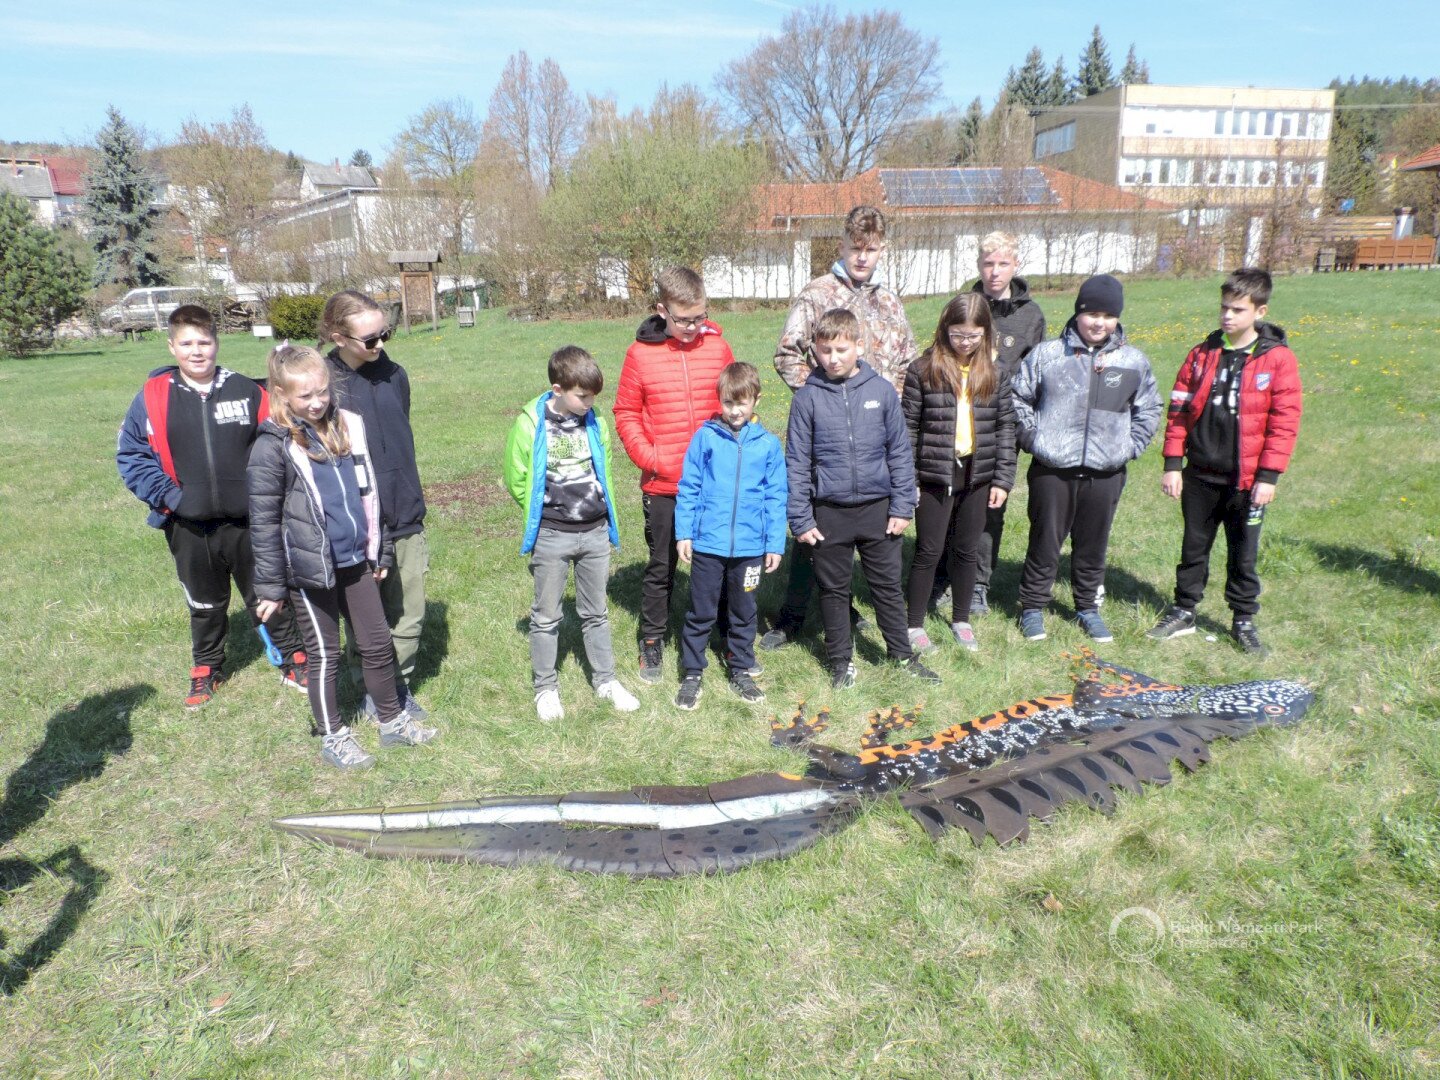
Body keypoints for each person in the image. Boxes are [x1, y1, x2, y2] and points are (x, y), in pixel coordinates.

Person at [248, 343, 437, 769]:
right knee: (325, 655)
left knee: (377, 643)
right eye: (305, 396)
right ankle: (333, 736)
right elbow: (263, 523)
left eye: (322, 392)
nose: (317, 402)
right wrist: (272, 587)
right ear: (281, 395)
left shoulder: (346, 427)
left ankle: (391, 720)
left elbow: (370, 494)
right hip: (309, 571)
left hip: (355, 561)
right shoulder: (272, 446)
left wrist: (379, 549)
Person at [117, 304, 308, 709]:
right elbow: (131, 455)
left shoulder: (246, 391)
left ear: (217, 343)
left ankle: (294, 658)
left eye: (204, 342)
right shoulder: (152, 397)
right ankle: (207, 667)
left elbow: (281, 443)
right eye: (187, 343)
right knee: (204, 603)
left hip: (250, 522)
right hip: (189, 525)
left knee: (268, 592)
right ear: (172, 347)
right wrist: (171, 497)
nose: (196, 351)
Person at [764, 204, 918, 649]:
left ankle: (852, 612)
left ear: (882, 250)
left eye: (871, 249)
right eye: (855, 248)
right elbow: (787, 354)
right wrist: (823, 399)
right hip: (825, 435)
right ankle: (793, 616)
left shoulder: (889, 301)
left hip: (875, 433)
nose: (862, 257)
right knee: (813, 528)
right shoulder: (817, 294)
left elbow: (907, 362)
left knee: (867, 535)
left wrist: (885, 404)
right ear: (842, 246)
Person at [1146, 268, 1303, 656]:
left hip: (1246, 481)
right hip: (1200, 474)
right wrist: (1172, 463)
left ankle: (1243, 619)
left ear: (1260, 311)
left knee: (1243, 554)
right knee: (1193, 548)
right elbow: (1178, 410)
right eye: (1223, 308)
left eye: (1237, 309)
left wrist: (1268, 476)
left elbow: (1284, 422)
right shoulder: (1202, 354)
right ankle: (1184, 610)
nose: (1227, 316)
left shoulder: (1277, 359)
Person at [785, 308, 940, 689]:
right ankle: (841, 661)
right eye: (825, 351)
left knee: (887, 587)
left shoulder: (881, 391)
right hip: (829, 513)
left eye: (841, 349)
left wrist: (902, 505)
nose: (833, 359)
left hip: (879, 510)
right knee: (834, 591)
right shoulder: (807, 399)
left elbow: (899, 452)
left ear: (858, 346)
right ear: (815, 351)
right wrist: (801, 518)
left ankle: (901, 654)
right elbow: (797, 461)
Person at [1012, 274, 1161, 643]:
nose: (1099, 323)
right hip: (1053, 469)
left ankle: (1087, 608)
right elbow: (1018, 398)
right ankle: (1032, 606)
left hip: (1105, 472)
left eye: (1108, 316)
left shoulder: (1132, 361)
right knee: (1045, 540)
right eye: (1092, 314)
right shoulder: (1048, 355)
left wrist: (1129, 447)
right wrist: (1033, 439)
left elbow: (1149, 408)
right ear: (1078, 313)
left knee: (1094, 544)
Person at [504, 346, 640, 720]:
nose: (589, 403)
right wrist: (544, 510)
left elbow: (603, 469)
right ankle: (545, 689)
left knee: (596, 613)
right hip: (552, 535)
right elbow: (516, 478)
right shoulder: (530, 424)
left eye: (593, 396)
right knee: (546, 617)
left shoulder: (595, 421)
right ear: (558, 389)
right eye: (582, 396)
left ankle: (606, 681)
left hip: (595, 532)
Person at [613, 266, 735, 684]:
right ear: (661, 310)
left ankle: (726, 632)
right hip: (664, 484)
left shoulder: (717, 348)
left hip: (714, 482)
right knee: (662, 565)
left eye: (700, 317)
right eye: (683, 319)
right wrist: (651, 458)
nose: (692, 327)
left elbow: (734, 398)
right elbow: (626, 412)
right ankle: (652, 640)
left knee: (721, 559)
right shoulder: (639, 355)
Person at [320, 290, 429, 719]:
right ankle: (368, 687)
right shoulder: (323, 386)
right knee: (365, 619)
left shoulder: (395, 374)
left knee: (410, 612)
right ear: (338, 337)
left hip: (404, 512)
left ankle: (397, 688)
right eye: (369, 339)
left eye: (385, 333)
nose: (380, 344)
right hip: (355, 520)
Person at [902, 293, 1017, 654]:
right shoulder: (923, 370)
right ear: (944, 330)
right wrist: (910, 480)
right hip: (934, 474)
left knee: (967, 549)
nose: (965, 343)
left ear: (985, 333)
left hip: (977, 475)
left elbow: (1006, 428)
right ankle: (914, 624)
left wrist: (1002, 479)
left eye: (972, 336)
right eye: (957, 335)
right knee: (929, 550)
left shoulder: (995, 373)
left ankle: (961, 619)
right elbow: (908, 429)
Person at [673, 363, 787, 709]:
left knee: (744, 611)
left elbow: (776, 497)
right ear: (719, 401)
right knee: (701, 611)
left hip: (750, 549)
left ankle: (740, 668)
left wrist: (774, 543)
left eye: (742, 403)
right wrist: (684, 532)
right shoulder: (705, 438)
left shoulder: (768, 445)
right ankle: (693, 672)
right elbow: (689, 486)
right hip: (709, 544)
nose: (735, 411)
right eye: (728, 403)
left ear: (756, 400)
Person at [959, 232, 1046, 616]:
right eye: (988, 264)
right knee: (954, 502)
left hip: (1002, 427)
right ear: (979, 266)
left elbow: (1038, 375)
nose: (995, 272)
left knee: (990, 506)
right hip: (961, 422)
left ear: (1015, 265)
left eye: (1003, 264)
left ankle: (978, 582)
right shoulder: (964, 306)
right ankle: (948, 575)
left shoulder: (1031, 315)